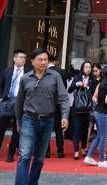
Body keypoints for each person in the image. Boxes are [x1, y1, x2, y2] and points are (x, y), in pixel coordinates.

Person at [14, 48, 70, 185]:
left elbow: (63, 98)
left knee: (39, 158)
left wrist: (65, 116)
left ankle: (33, 182)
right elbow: (19, 102)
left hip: (48, 120)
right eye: (40, 60)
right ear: (32, 61)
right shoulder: (25, 79)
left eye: (45, 59)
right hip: (29, 120)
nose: (44, 62)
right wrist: (18, 122)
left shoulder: (55, 76)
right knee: (25, 155)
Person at [0, 49, 28, 163]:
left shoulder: (28, 72)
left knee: (16, 130)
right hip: (7, 102)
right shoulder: (7, 71)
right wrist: (0, 97)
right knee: (1, 129)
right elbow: (0, 85)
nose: (23, 59)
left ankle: (11, 154)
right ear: (14, 58)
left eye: (24, 58)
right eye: (21, 57)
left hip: (21, 103)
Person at [84, 65, 107, 168]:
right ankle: (102, 160)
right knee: (103, 137)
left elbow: (94, 97)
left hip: (97, 112)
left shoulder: (100, 85)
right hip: (102, 114)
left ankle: (89, 156)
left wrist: (97, 101)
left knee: (99, 136)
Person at [68, 61, 95, 160]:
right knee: (76, 128)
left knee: (85, 128)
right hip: (77, 107)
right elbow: (70, 90)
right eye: (86, 67)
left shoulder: (92, 79)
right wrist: (77, 84)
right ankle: (76, 150)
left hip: (87, 108)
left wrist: (87, 87)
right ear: (82, 68)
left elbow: (95, 91)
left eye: (89, 67)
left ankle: (83, 148)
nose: (88, 69)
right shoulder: (77, 78)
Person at [45, 52, 68, 159]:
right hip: (58, 103)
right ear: (54, 61)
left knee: (46, 128)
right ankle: (60, 151)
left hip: (47, 103)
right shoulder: (62, 72)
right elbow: (64, 88)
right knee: (58, 128)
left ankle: (47, 151)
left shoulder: (44, 71)